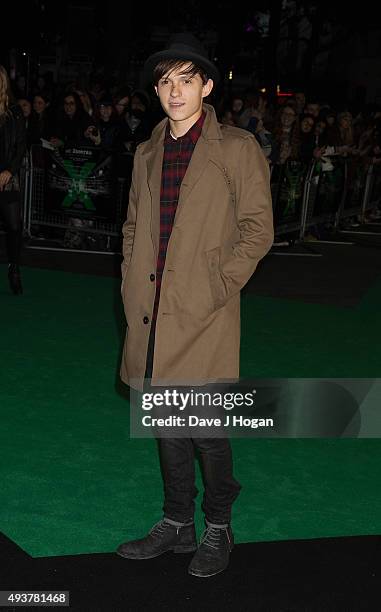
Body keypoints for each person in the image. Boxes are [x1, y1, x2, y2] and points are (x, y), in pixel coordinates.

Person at [116, 33, 273, 578]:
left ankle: (219, 525)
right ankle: (177, 521)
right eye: (165, 81)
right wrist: (129, 284)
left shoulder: (236, 148)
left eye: (186, 79)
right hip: (151, 307)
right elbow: (134, 227)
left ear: (207, 87)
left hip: (204, 309)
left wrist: (218, 285)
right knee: (166, 421)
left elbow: (258, 230)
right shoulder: (147, 151)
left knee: (205, 428)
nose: (174, 91)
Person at [0, 65, 26, 294]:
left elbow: (20, 146)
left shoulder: (14, 111)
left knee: (14, 226)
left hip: (8, 176)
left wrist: (9, 170)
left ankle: (14, 268)